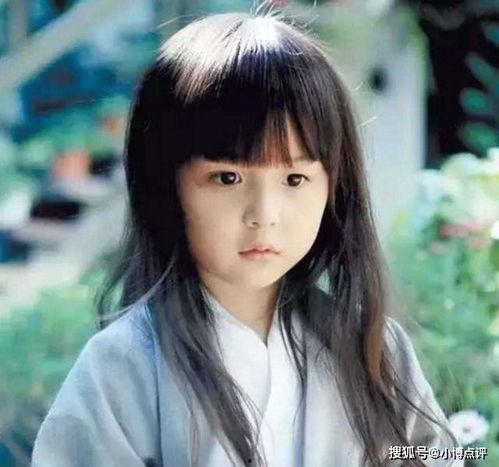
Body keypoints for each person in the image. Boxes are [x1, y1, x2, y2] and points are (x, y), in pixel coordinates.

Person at [31, 10, 463, 467]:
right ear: (167, 185)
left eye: (294, 179)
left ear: (334, 188)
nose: (264, 215)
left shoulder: (373, 348)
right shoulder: (122, 367)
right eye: (227, 178)